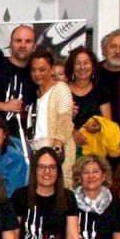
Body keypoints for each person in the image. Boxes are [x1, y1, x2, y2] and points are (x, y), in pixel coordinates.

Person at [25, 48, 76, 188]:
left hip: (57, 152)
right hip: (37, 153)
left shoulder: (61, 89)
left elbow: (65, 122)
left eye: (42, 69)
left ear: (52, 69)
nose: (37, 74)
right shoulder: (33, 95)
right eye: (33, 70)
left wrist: (57, 149)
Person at [65, 47, 112, 154]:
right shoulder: (63, 90)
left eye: (86, 63)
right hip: (67, 149)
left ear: (93, 66)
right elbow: (53, 120)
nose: (82, 67)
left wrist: (99, 126)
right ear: (72, 67)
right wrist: (71, 132)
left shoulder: (101, 91)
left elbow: (108, 124)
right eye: (78, 63)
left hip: (95, 150)